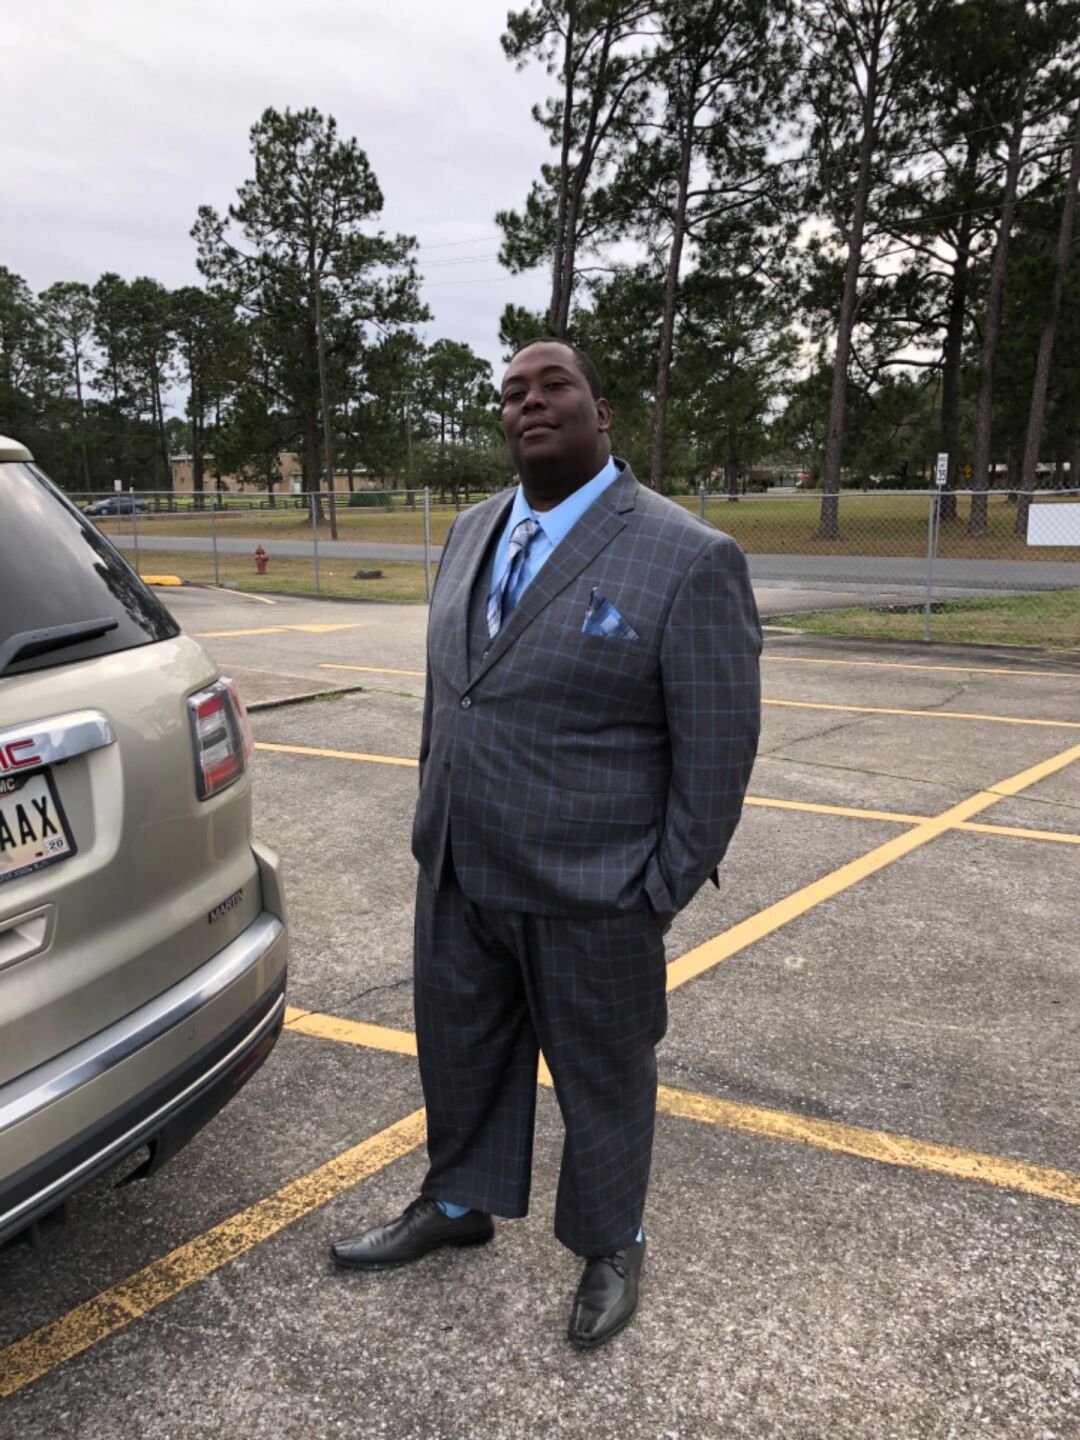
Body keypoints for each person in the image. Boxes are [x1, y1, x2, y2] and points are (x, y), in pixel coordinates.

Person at [330, 338, 761, 1349]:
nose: (530, 402)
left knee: (604, 1077)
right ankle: (458, 1201)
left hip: (594, 887)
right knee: (460, 1050)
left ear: (600, 413)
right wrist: (434, 815)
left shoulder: (687, 555)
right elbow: (453, 693)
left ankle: (612, 1242)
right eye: (513, 392)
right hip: (460, 864)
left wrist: (658, 888)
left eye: (554, 385)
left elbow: (716, 750)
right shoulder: (471, 530)